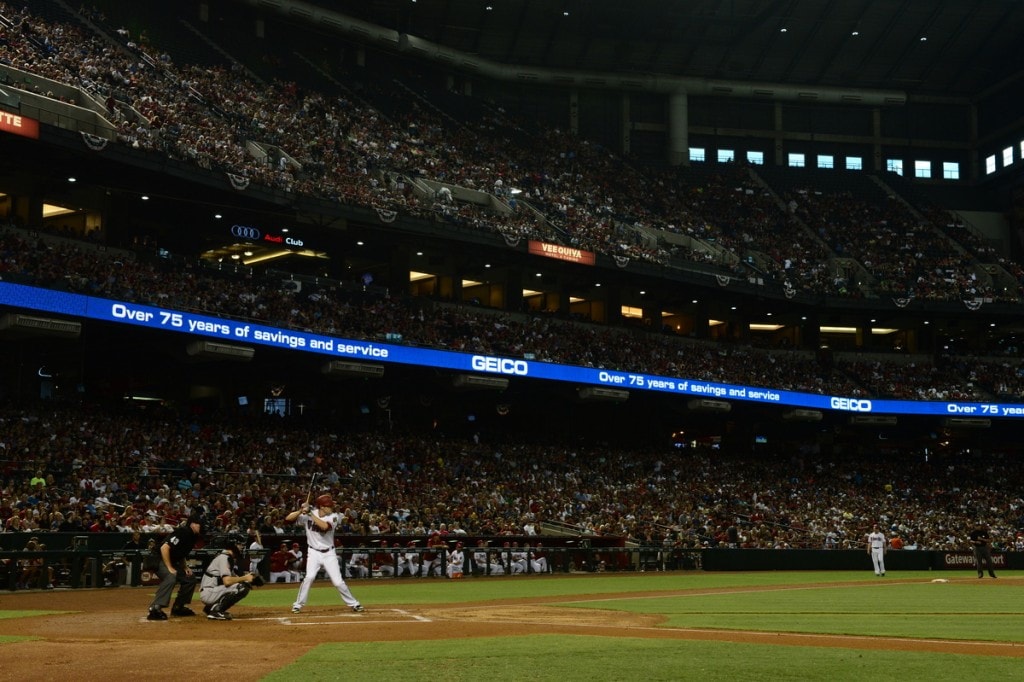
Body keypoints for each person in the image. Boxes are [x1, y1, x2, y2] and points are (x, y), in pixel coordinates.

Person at [285, 494, 364, 614]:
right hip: (313, 552)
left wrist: (310, 513)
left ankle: (354, 603)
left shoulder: (334, 516)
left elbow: (324, 527)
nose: (331, 508)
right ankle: (298, 605)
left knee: (338, 582)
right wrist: (301, 510)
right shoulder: (309, 514)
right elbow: (288, 519)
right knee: (309, 577)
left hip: (329, 553)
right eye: (328, 506)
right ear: (321, 506)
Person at [147, 514, 203, 620]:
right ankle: (155, 608)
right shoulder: (183, 532)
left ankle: (178, 607)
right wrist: (169, 567)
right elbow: (164, 548)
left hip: (170, 560)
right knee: (171, 576)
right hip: (157, 558)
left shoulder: (193, 536)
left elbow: (180, 553)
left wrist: (185, 567)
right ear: (192, 524)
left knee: (189, 578)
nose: (200, 526)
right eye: (198, 524)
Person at [200, 535, 258, 620]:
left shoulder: (227, 557)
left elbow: (235, 578)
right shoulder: (224, 558)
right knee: (241, 587)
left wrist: (251, 580)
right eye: (240, 545)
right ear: (233, 545)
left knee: (244, 585)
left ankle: (211, 608)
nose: (242, 547)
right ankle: (217, 611)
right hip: (209, 593)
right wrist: (245, 578)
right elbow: (227, 581)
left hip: (211, 591)